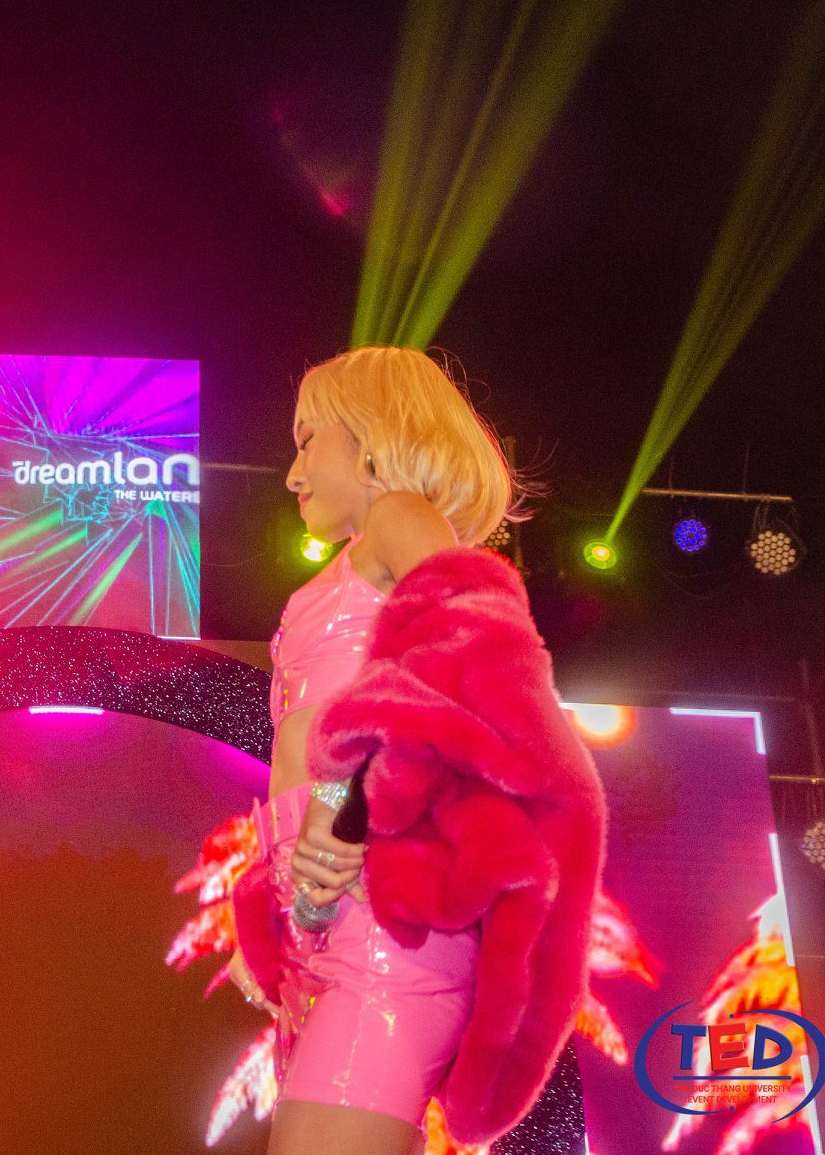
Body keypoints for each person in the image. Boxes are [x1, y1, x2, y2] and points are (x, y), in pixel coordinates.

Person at [228, 346, 605, 1154]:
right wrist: (275, 905)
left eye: (308, 441)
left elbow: (470, 658)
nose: (292, 473)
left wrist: (346, 804)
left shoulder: (400, 516)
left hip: (385, 935)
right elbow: (318, 752)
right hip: (336, 926)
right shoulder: (344, 568)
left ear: (370, 437)